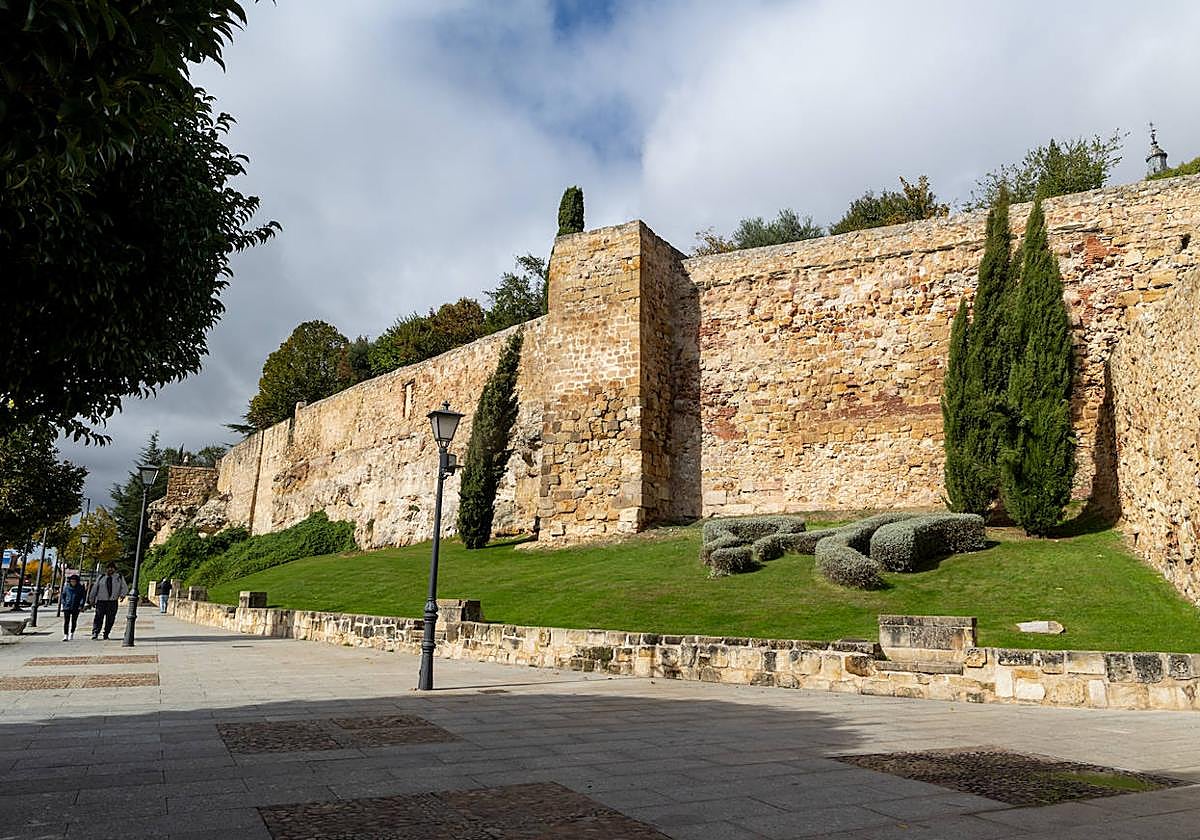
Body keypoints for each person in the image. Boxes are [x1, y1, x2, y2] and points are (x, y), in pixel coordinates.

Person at [88, 563, 128, 640]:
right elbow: (95, 589)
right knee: (98, 618)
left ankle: (106, 633)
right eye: (108, 568)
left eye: (112, 568)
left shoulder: (118, 577)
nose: (110, 569)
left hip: (112, 602)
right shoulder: (101, 577)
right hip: (101, 601)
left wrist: (122, 595)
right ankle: (95, 632)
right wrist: (92, 599)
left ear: (115, 569)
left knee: (110, 619)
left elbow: (124, 587)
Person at [60, 574, 87, 641]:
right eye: (72, 581)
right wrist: (64, 603)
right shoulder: (66, 587)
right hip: (67, 606)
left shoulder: (80, 588)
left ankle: (71, 633)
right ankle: (65, 635)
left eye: (74, 581)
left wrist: (81, 605)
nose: (73, 582)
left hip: (76, 607)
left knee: (74, 621)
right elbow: (63, 596)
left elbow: (83, 597)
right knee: (66, 621)